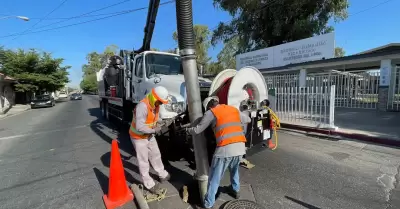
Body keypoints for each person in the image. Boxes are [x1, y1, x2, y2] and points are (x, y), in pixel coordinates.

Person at [186, 96, 251, 209]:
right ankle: (235, 190)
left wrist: (188, 130)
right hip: (240, 147)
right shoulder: (232, 109)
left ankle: (208, 204)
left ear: (208, 106)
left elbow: (198, 130)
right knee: (234, 170)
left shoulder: (211, 112)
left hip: (225, 149)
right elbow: (248, 119)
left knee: (214, 178)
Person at [129, 86, 171, 193]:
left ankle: (162, 173)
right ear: (154, 98)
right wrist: (155, 130)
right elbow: (139, 127)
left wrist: (162, 121)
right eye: (160, 102)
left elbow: (154, 118)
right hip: (138, 137)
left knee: (156, 154)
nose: (161, 104)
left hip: (149, 135)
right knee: (143, 161)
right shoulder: (142, 107)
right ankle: (148, 183)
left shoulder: (155, 105)